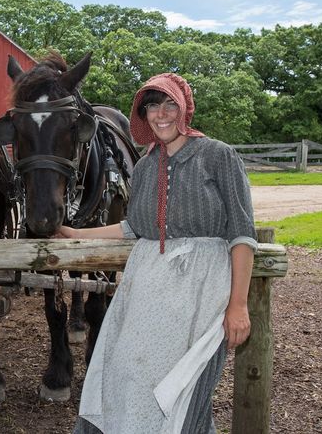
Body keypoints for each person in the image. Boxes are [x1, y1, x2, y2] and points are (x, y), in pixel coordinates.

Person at [57, 73, 257, 433]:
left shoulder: (218, 156)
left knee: (184, 386)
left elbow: (242, 234)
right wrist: (75, 233)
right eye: (152, 106)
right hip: (146, 287)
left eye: (169, 105)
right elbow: (134, 227)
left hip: (201, 290)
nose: (160, 114)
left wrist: (238, 305)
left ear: (184, 109)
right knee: (124, 373)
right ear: (144, 114)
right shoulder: (147, 165)